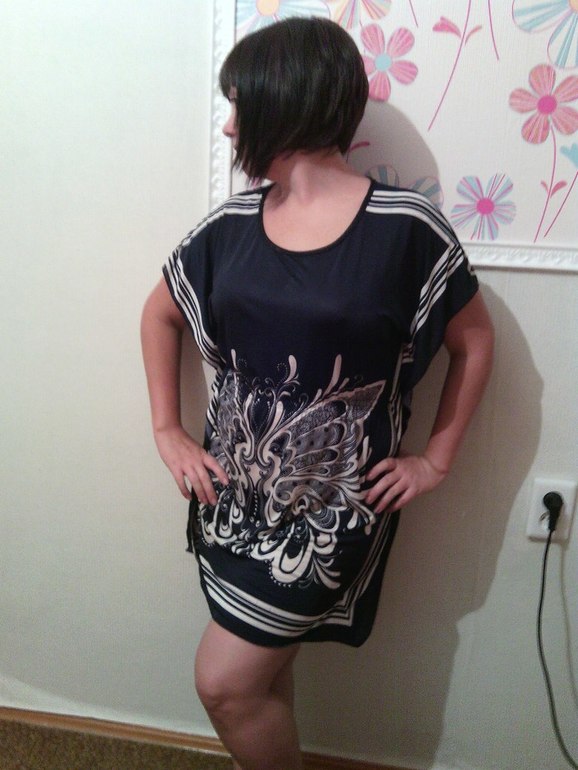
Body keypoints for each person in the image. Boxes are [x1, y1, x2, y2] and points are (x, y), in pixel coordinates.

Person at [140, 16, 494, 770]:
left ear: (286, 99)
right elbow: (160, 312)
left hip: (329, 516)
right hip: (231, 498)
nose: (229, 125)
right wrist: (168, 430)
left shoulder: (405, 229)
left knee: (225, 685)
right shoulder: (231, 226)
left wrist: (436, 460)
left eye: (239, 104)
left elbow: (475, 341)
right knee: (263, 678)